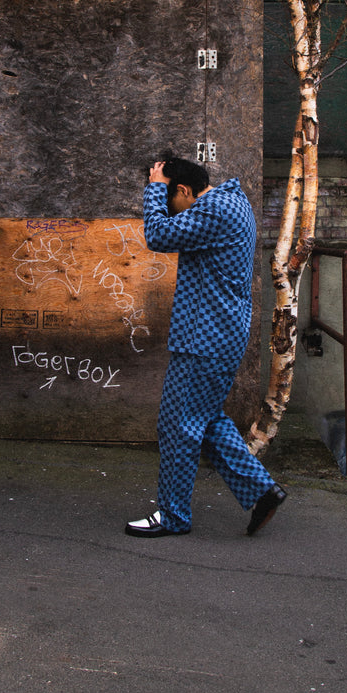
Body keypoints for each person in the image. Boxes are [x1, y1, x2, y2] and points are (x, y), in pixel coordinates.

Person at [125, 155, 287, 538]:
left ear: (183, 190)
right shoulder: (230, 202)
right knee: (204, 419)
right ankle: (262, 491)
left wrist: (153, 188)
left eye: (170, 199)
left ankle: (174, 517)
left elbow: (159, 235)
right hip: (212, 334)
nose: (169, 211)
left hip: (205, 337)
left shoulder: (215, 208)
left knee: (178, 425)